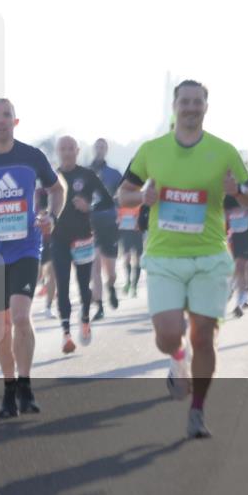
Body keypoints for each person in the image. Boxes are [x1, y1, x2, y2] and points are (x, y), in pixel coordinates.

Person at [118, 80, 248, 439]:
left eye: (198, 102)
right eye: (185, 102)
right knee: (168, 335)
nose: (191, 108)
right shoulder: (152, 150)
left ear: (206, 107)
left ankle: (197, 410)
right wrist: (142, 197)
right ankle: (176, 361)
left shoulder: (224, 151)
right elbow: (124, 194)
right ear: (175, 106)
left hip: (209, 256)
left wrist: (238, 191)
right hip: (165, 256)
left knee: (204, 338)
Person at [0, 98, 63, 418]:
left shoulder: (31, 156)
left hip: (25, 246)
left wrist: (52, 215)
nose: (2, 120)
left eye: (7, 114)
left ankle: (25, 383)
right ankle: (8, 388)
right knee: (2, 325)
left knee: (20, 316)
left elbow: (57, 188)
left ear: (15, 121)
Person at [50, 136, 113, 352]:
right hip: (58, 238)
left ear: (77, 150)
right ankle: (66, 333)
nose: (67, 152)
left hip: (83, 238)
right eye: (63, 148)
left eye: (70, 148)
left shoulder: (87, 175)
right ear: (58, 151)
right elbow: (40, 203)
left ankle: (85, 316)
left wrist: (90, 206)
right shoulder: (53, 177)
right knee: (63, 286)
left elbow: (106, 199)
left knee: (84, 284)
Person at [89, 138, 123, 319]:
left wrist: (119, 210)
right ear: (94, 149)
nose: (100, 149)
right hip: (90, 224)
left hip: (109, 223)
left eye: (103, 147)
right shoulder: (86, 172)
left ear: (106, 150)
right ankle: (99, 306)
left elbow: (124, 194)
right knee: (95, 266)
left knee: (110, 270)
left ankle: (111, 286)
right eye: (98, 146)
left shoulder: (114, 174)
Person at [225, 190, 248, 318]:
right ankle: (235, 290)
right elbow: (221, 214)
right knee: (235, 269)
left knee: (242, 267)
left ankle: (240, 301)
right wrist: (229, 214)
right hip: (232, 237)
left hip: (246, 235)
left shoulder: (246, 194)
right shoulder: (226, 197)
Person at [34, 185, 57, 318]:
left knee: (52, 274)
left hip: (54, 240)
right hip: (39, 241)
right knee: (38, 275)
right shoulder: (37, 191)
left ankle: (48, 307)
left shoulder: (57, 191)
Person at [117, 204, 144, 297]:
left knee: (138, 260)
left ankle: (134, 286)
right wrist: (119, 220)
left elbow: (145, 214)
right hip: (126, 232)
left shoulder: (140, 198)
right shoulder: (120, 198)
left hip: (137, 232)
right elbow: (117, 216)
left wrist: (140, 220)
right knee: (127, 258)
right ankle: (128, 281)